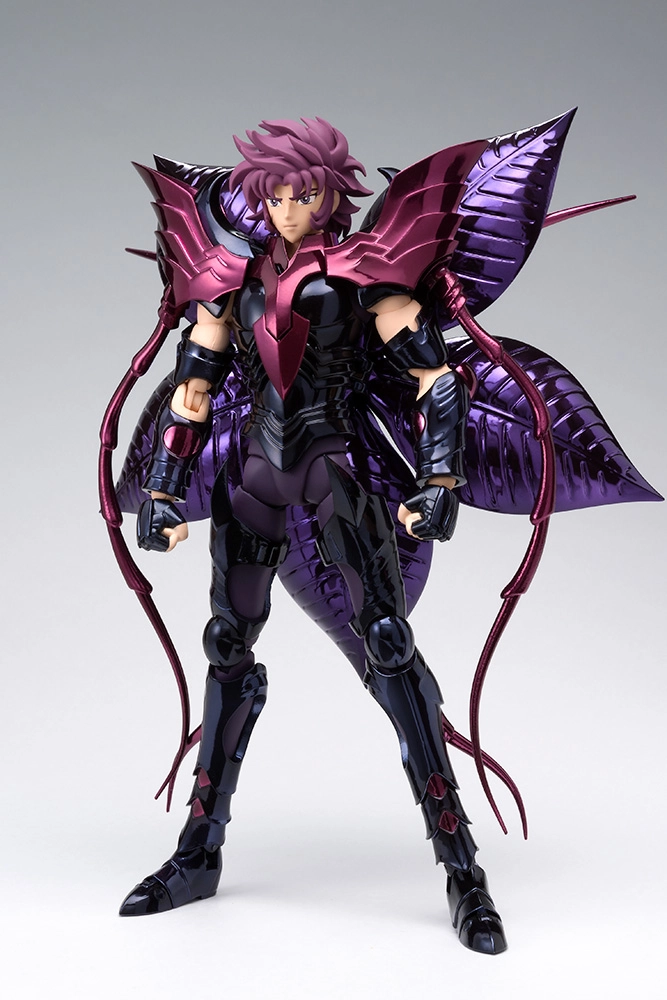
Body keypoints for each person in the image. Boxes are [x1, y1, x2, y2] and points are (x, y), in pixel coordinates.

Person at [106, 114, 660, 953]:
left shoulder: (369, 273)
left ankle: (463, 874)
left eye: (305, 194)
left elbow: (436, 380)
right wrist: (162, 486)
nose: (288, 209)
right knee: (226, 645)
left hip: (335, 474)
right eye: (275, 195)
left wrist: (439, 479)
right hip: (250, 480)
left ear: (333, 195)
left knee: (389, 646)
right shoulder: (231, 279)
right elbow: (194, 388)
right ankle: (197, 853)